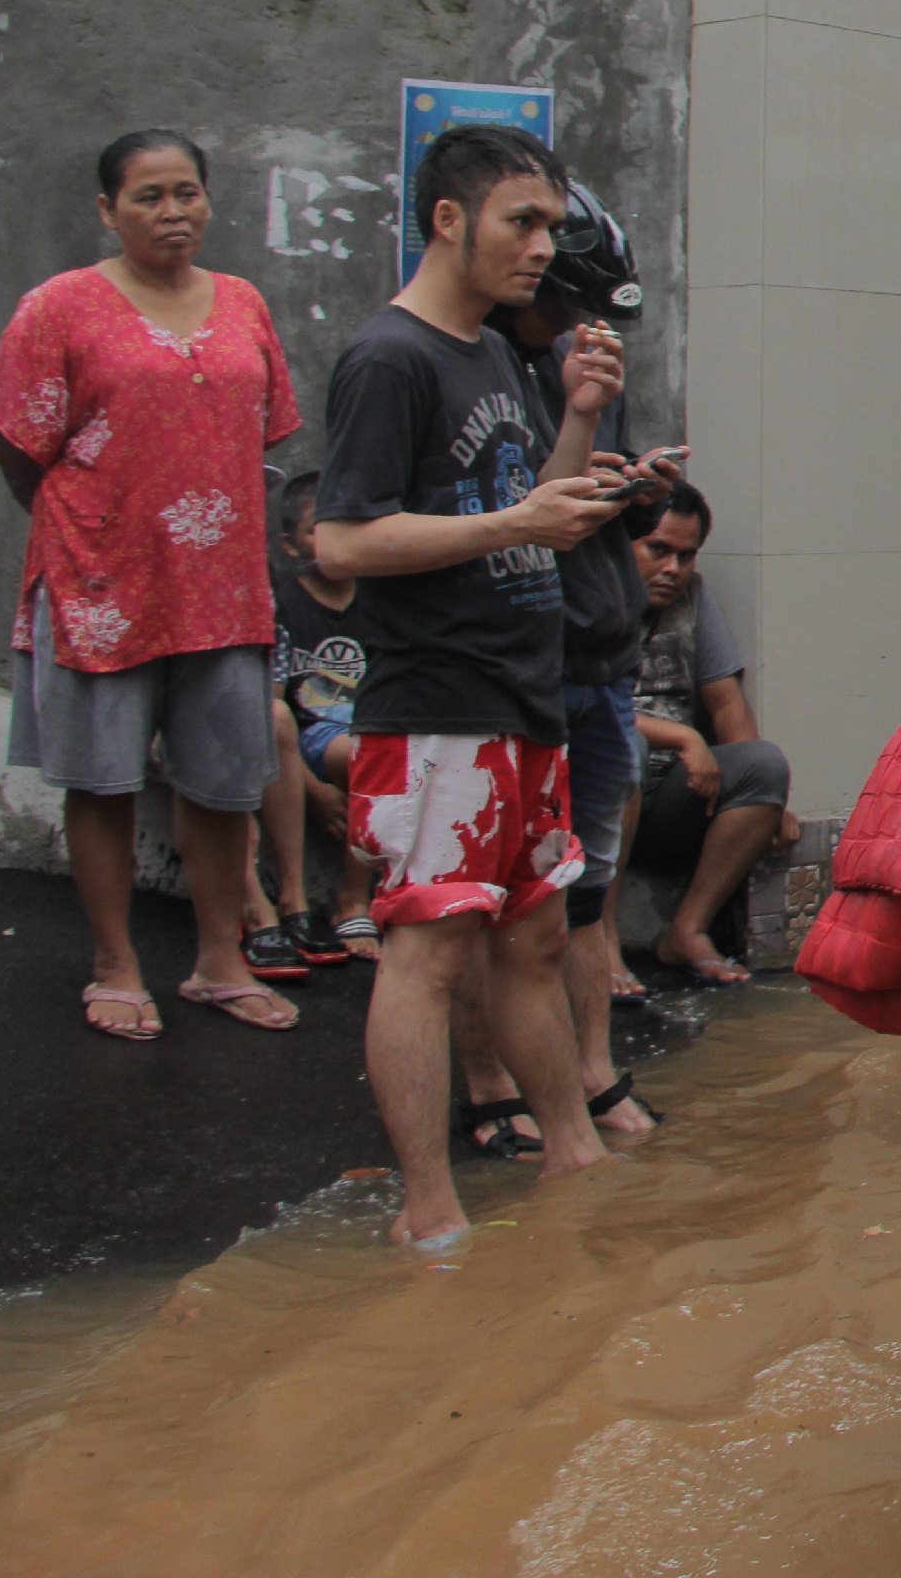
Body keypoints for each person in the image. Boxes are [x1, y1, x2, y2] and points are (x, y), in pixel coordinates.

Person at [313, 122, 628, 1249]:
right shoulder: (390, 356)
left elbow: (529, 518)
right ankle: (428, 1204)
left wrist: (581, 421)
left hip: (523, 694)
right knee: (429, 944)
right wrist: (518, 518)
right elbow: (342, 543)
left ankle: (573, 1149)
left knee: (535, 939)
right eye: (523, 221)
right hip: (437, 705)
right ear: (450, 219)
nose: (545, 247)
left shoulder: (496, 352)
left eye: (552, 224)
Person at [0, 129, 302, 1040]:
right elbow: (15, 439)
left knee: (223, 784)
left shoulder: (242, 302)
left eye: (186, 194)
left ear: (208, 199)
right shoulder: (58, 308)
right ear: (107, 210)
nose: (172, 213)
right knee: (103, 781)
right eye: (148, 198)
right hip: (100, 582)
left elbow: (264, 426)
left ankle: (218, 961)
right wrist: (90, 524)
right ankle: (115, 965)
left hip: (222, 586)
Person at [453, 184, 674, 1150]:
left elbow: (568, 499)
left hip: (598, 657)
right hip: (512, 672)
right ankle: (488, 1080)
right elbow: (515, 512)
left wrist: (635, 491)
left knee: (582, 892)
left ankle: (589, 1072)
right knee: (479, 904)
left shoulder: (569, 363)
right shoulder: (473, 366)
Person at [626, 483, 796, 985]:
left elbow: (725, 701)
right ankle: (601, 948)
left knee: (763, 763)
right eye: (658, 549)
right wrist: (683, 739)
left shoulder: (694, 598)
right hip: (594, 799)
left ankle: (687, 931)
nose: (673, 568)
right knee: (623, 746)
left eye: (686, 555)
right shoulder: (588, 598)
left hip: (674, 796)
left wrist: (770, 803)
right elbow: (577, 707)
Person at [273, 472, 382, 960]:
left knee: (385, 748)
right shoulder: (283, 601)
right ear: (291, 545)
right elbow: (269, 706)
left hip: (365, 732)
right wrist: (313, 791)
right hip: (305, 736)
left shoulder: (377, 602)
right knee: (369, 754)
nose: (336, 538)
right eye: (319, 527)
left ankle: (365, 895)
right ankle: (351, 900)